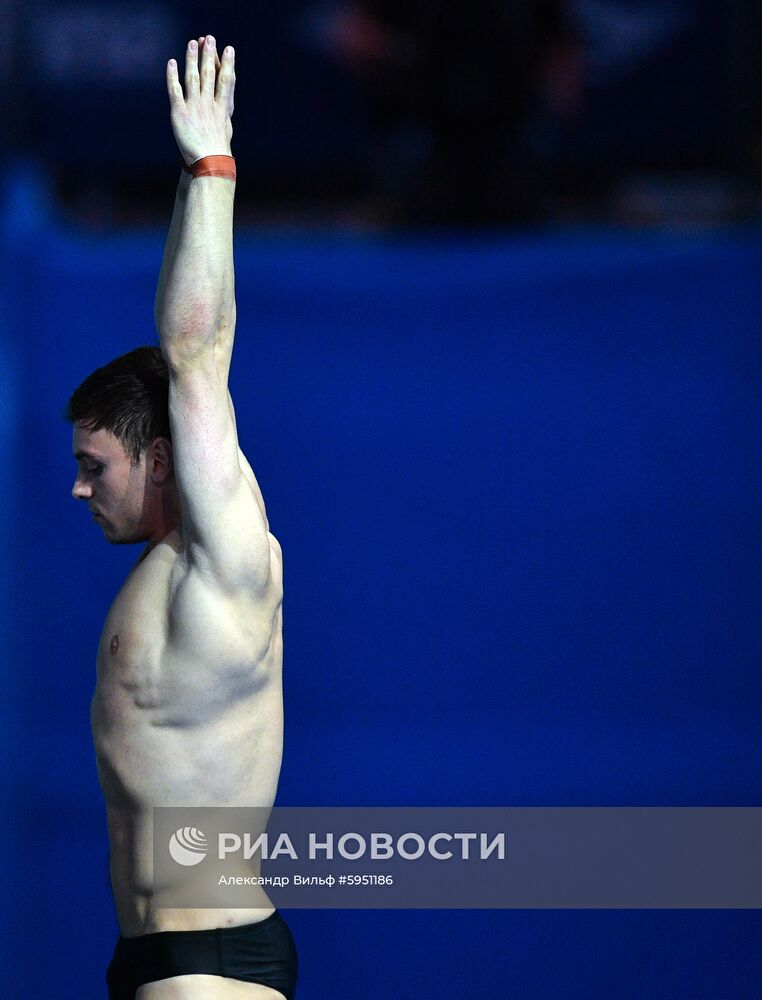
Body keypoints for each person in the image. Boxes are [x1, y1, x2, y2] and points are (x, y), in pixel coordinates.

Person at [66, 34, 297, 1000]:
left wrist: (210, 166)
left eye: (96, 467)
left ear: (162, 459)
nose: (81, 490)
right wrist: (181, 194)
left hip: (211, 964)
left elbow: (196, 352)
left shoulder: (228, 555)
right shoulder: (162, 569)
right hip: (147, 954)